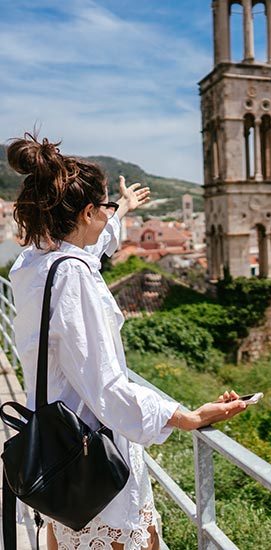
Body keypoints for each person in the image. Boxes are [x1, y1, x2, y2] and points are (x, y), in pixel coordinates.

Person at [7, 133, 247, 550]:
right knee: (133, 536)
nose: (109, 214)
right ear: (86, 212)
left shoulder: (33, 262)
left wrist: (124, 210)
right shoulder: (73, 277)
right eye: (106, 207)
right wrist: (185, 416)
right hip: (91, 448)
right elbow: (106, 388)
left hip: (54, 445)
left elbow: (89, 245)